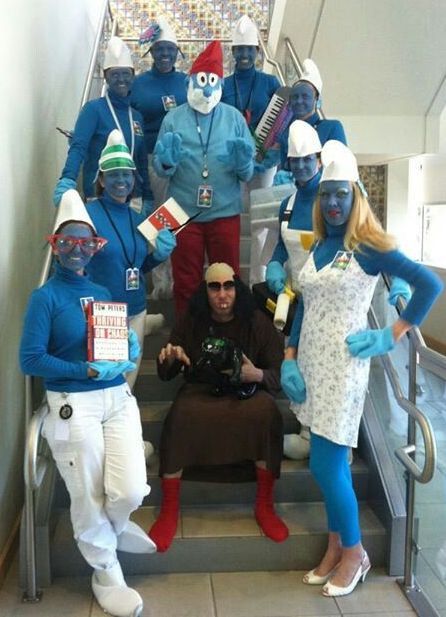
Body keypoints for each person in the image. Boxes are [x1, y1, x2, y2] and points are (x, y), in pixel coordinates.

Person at [280, 141, 443, 597]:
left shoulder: (367, 246)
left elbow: (427, 283)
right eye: (326, 194)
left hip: (345, 368)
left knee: (327, 464)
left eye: (341, 195)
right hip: (311, 366)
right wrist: (289, 356)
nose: (332, 203)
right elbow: (304, 307)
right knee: (323, 464)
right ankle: (335, 547)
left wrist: (392, 333)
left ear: (356, 197)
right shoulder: (318, 245)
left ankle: (355, 552)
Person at [19, 190, 156, 617]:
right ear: (55, 246)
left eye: (85, 242)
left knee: (131, 488)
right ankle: (106, 573)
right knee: (87, 495)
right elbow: (30, 359)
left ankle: (116, 525)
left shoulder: (102, 290)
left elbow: (116, 347)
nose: (76, 249)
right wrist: (85, 372)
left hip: (116, 397)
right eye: (67, 242)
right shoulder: (45, 298)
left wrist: (128, 349)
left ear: (96, 247)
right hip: (72, 402)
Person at [148, 262, 289, 552]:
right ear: (206, 291)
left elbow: (280, 373)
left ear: (237, 289)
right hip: (200, 388)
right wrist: (170, 357)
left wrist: (258, 375)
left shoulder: (256, 321)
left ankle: (265, 505)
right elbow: (167, 370)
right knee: (182, 415)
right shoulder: (192, 319)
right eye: (215, 287)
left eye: (228, 286)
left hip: (246, 390)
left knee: (266, 413)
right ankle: (169, 509)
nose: (222, 294)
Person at [152, 41, 254, 314]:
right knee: (185, 280)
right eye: (201, 80)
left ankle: (230, 336)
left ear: (219, 82)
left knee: (228, 280)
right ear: (190, 81)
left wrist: (242, 163)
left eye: (212, 81)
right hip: (183, 212)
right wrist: (165, 162)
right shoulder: (173, 119)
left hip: (225, 212)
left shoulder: (234, 118)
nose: (207, 88)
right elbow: (160, 166)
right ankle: (188, 337)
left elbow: (248, 172)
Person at [85, 129, 176, 388]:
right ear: (101, 179)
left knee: (128, 386)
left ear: (134, 179)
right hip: (105, 310)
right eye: (113, 175)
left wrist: (158, 256)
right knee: (109, 382)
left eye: (126, 174)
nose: (121, 180)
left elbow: (136, 266)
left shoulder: (138, 220)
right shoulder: (88, 215)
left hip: (136, 308)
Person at [53, 36, 152, 213]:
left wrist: (148, 195)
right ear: (105, 76)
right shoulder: (93, 110)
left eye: (126, 74)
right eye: (115, 74)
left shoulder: (136, 116)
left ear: (133, 76)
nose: (121, 79)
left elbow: (141, 160)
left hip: (133, 197)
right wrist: (67, 180)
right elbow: (78, 147)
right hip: (100, 196)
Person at [131, 16, 187, 209]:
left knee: (180, 213)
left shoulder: (187, 82)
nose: (165, 53)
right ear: (151, 51)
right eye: (159, 48)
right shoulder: (137, 84)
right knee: (154, 212)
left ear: (177, 52)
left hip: (185, 160)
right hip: (149, 158)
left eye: (170, 49)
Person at [274, 58, 347, 183]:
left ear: (317, 100)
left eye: (305, 96)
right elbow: (286, 168)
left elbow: (340, 165)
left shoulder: (332, 128)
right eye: (295, 97)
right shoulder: (285, 134)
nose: (299, 101)